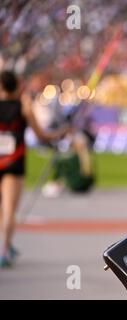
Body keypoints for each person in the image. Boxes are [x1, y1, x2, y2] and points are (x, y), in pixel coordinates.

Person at [0, 70, 66, 268]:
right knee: (9, 209)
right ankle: (5, 248)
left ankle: (6, 246)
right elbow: (41, 136)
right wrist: (61, 132)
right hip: (13, 163)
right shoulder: (24, 107)